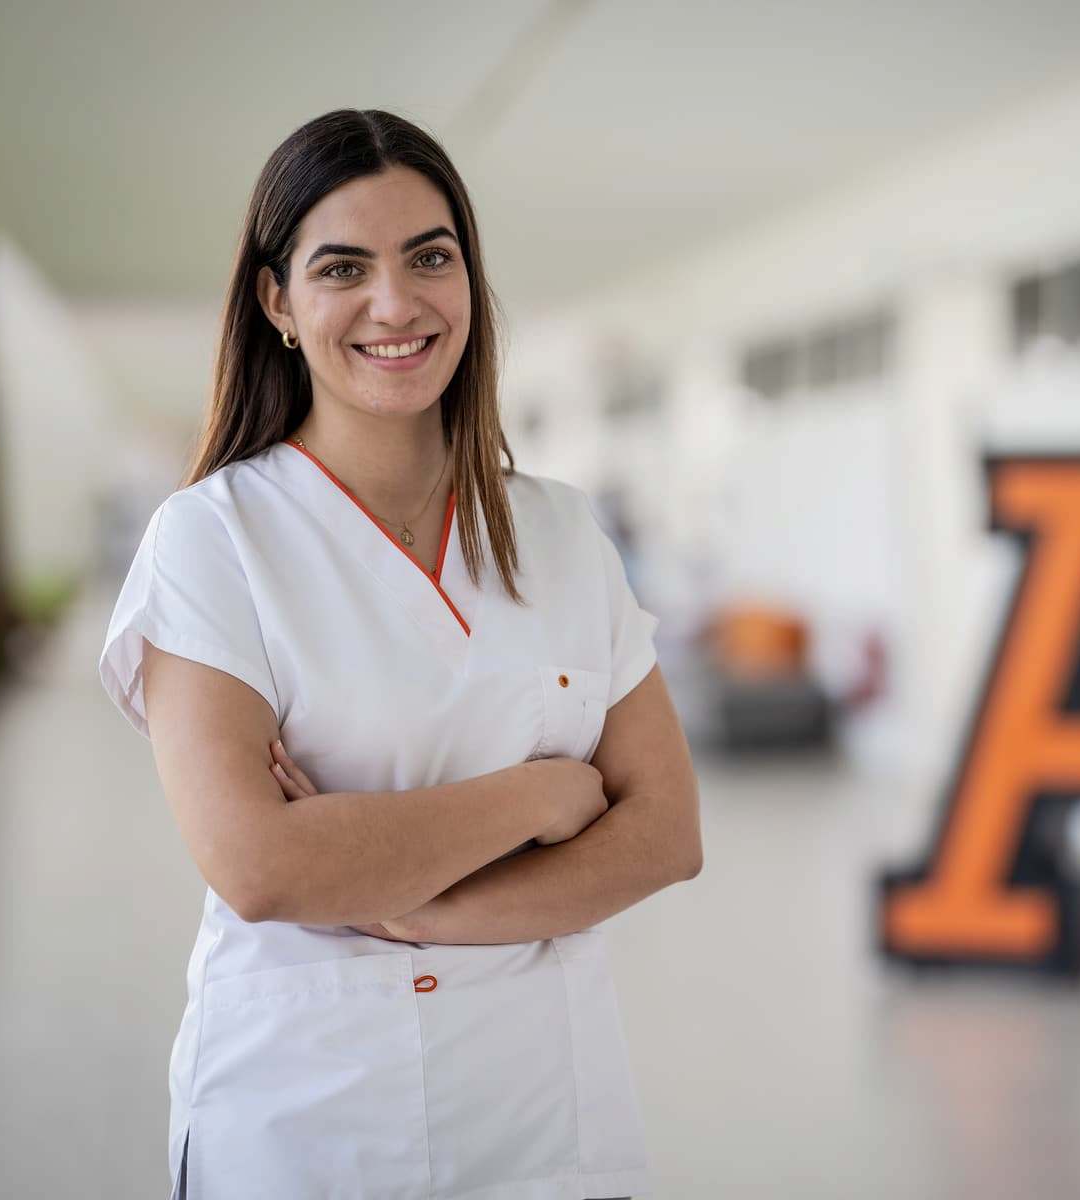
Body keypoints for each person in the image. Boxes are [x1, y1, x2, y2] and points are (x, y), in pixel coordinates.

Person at [98, 108, 703, 1200]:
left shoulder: (561, 533)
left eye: (431, 256)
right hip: (308, 1123)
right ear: (278, 302)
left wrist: (419, 907)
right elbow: (264, 867)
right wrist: (541, 796)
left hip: (546, 1121)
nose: (397, 303)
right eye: (343, 267)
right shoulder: (214, 539)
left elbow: (665, 835)